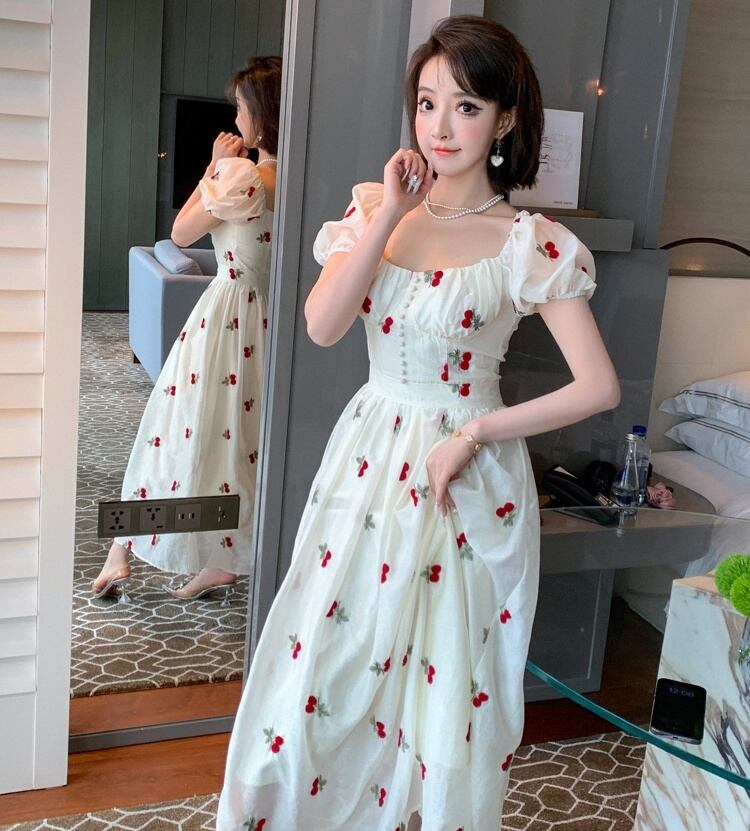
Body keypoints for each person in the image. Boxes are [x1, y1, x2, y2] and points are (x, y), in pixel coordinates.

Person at [217, 16, 619, 830]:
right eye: (428, 103)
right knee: (326, 666)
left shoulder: (529, 244)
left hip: (464, 478)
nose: (440, 125)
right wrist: (389, 214)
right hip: (369, 458)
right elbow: (323, 324)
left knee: (445, 691)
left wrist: (475, 434)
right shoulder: (376, 209)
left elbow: (598, 386)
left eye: (466, 106)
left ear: (504, 120)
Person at [91, 56, 282, 602]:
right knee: (239, 447)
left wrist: (214, 167)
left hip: (224, 319)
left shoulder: (242, 176)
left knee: (172, 433)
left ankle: (121, 550)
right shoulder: (296, 180)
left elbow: (179, 232)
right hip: (267, 325)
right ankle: (221, 560)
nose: (236, 118)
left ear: (261, 115)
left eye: (240, 107)